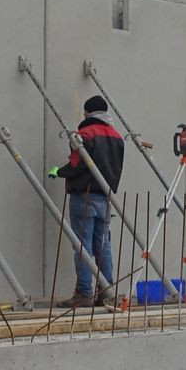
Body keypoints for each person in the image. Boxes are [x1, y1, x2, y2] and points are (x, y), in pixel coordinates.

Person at [51, 95, 125, 308]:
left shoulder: (84, 134)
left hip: (83, 195)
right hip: (105, 195)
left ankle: (83, 293)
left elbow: (76, 164)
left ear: (88, 113)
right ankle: (107, 292)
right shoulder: (117, 137)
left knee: (83, 246)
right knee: (103, 245)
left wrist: (59, 172)